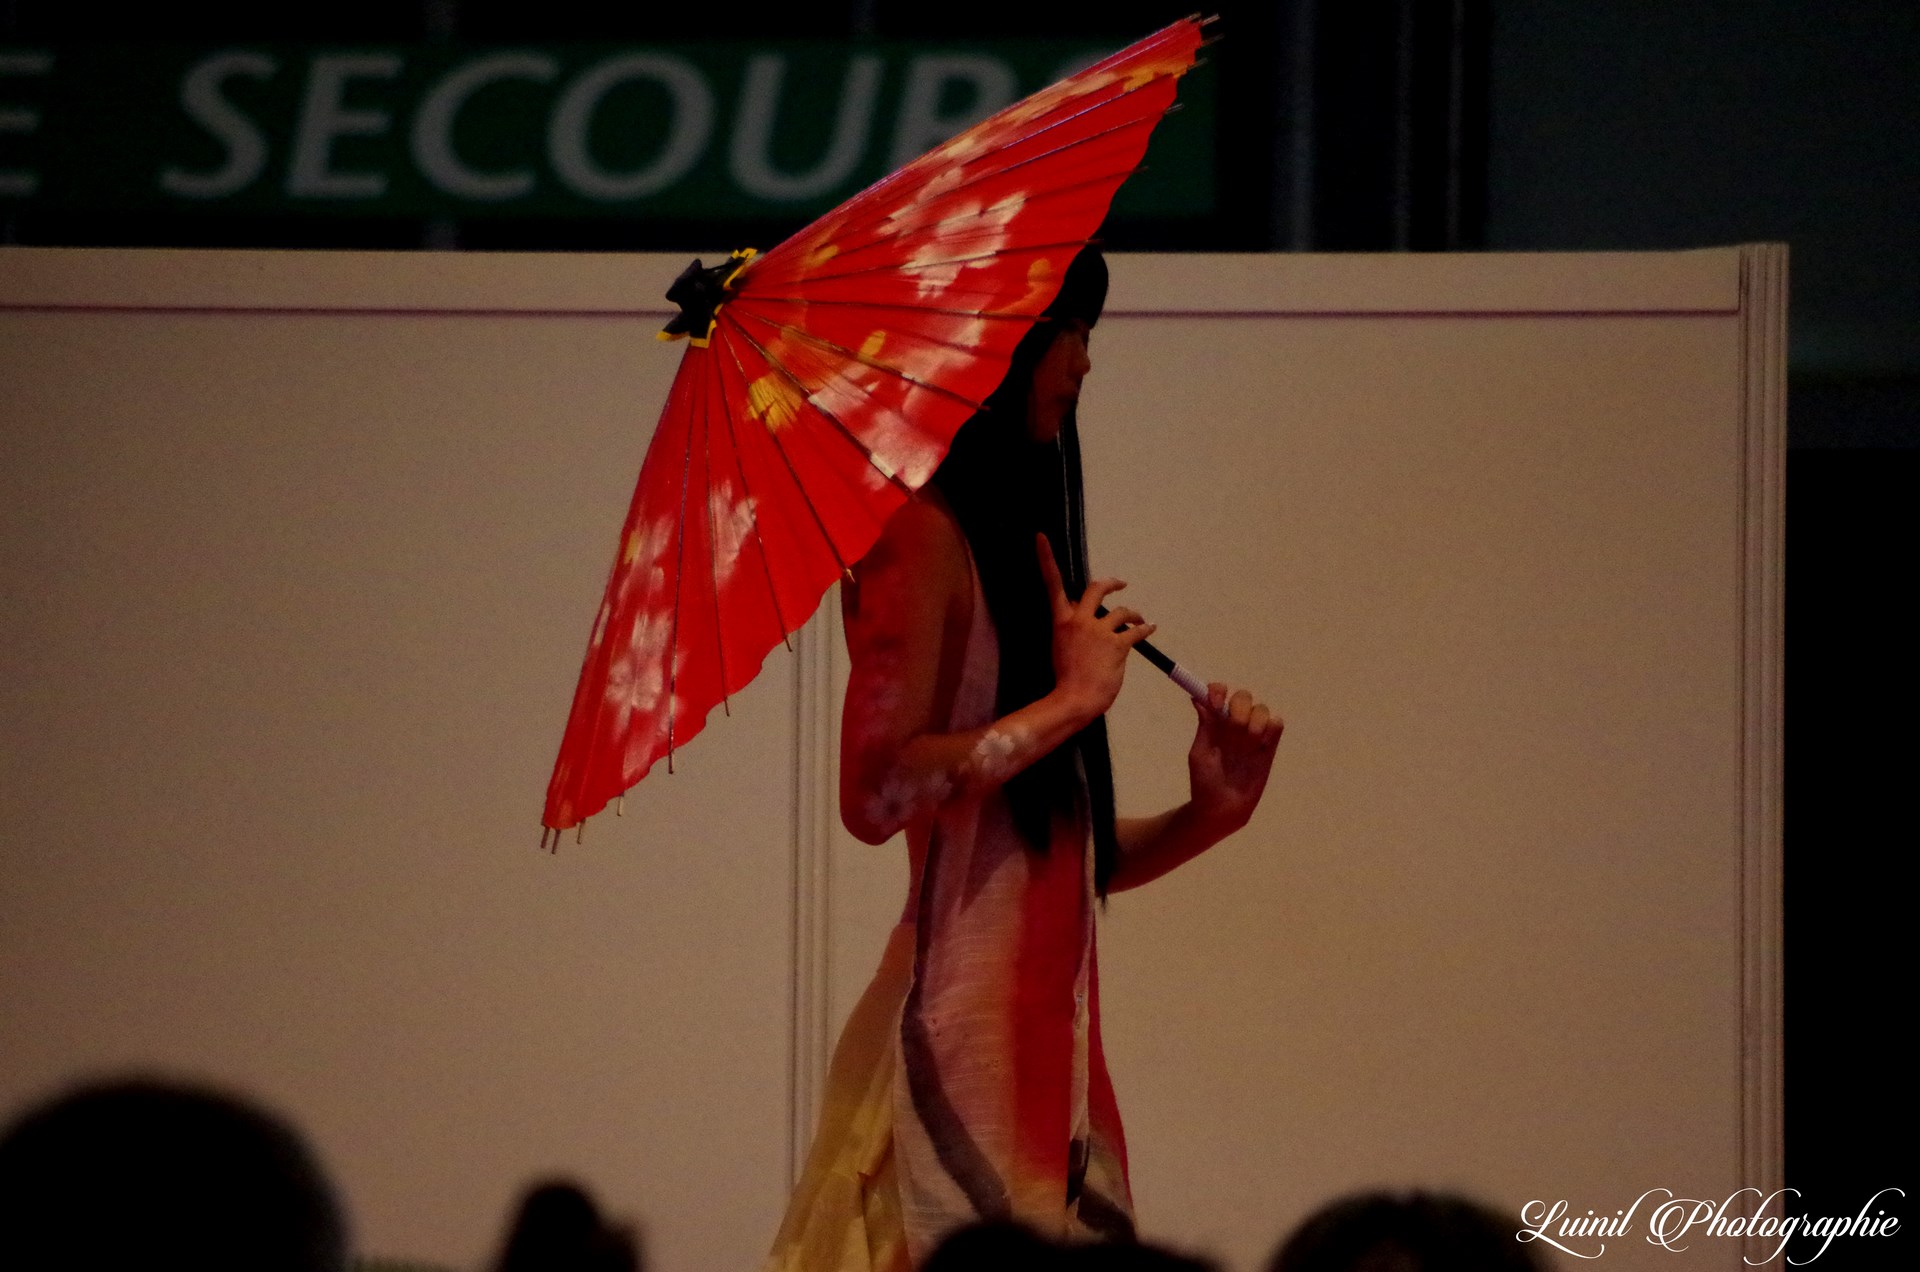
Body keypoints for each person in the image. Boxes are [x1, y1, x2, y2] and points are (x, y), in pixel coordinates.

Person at [765, 247, 1283, 1271]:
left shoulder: (1007, 541)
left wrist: (1209, 814)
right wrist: (1072, 702)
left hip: (1048, 1047)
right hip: (946, 1030)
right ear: (995, 344)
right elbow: (875, 791)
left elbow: (1043, 854)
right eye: (1069, 333)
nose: (1084, 363)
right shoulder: (915, 533)